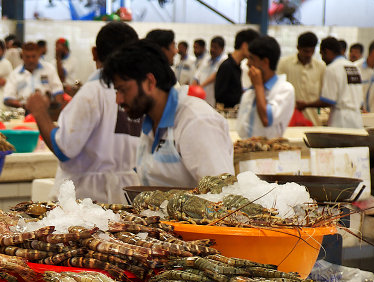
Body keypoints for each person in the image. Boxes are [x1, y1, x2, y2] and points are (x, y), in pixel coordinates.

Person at [27, 21, 140, 203]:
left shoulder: (93, 92)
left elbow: (64, 148)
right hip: (127, 197)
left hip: (85, 200)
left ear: (94, 52)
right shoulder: (137, 91)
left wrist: (40, 113)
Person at [103, 40, 233, 187]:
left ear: (150, 82)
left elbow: (224, 198)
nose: (118, 99)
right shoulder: (150, 121)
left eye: (123, 90)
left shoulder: (197, 122)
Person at [238, 36, 295, 139]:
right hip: (246, 149)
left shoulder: (285, 89)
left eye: (252, 58)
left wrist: (259, 86)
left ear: (265, 62)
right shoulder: (250, 92)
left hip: (267, 152)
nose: (248, 63)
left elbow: (266, 119)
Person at [278, 31, 325, 125]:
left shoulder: (321, 67)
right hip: (288, 121)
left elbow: (323, 95)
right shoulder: (284, 64)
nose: (309, 55)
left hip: (313, 122)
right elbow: (278, 92)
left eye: (312, 51)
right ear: (298, 48)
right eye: (306, 51)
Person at [3, 41, 64, 109]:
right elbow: (7, 98)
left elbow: (58, 92)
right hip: (23, 111)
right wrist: (24, 106)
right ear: (22, 56)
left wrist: (57, 108)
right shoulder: (15, 74)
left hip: (47, 110)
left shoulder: (49, 69)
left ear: (39, 55)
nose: (31, 60)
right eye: (27, 57)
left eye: (33, 56)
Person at [318, 36, 363, 129]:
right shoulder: (354, 67)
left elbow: (328, 100)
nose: (323, 59)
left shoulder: (332, 68)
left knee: (339, 144)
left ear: (327, 51)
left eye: (322, 55)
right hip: (357, 119)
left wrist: (305, 104)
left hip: (341, 120)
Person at [214, 28, 258, 109]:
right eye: (253, 47)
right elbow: (220, 96)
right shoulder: (227, 66)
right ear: (244, 46)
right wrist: (243, 96)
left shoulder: (237, 67)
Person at [191, 35, 226, 106]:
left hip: (214, 100)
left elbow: (216, 75)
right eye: (211, 46)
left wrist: (201, 86)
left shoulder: (224, 61)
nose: (212, 50)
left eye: (215, 47)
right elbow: (197, 77)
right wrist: (192, 92)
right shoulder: (206, 60)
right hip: (201, 98)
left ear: (222, 49)